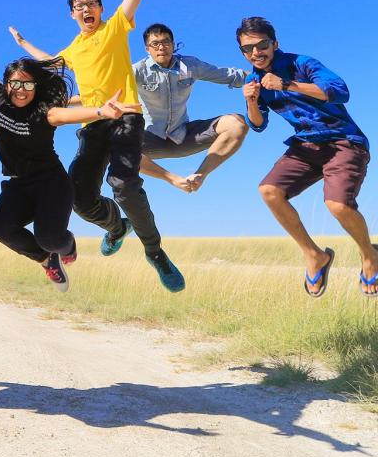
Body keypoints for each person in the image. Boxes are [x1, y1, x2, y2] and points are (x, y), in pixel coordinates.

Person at [9, 0, 185, 292]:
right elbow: (51, 64)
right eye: (79, 5)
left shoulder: (115, 26)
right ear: (72, 14)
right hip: (92, 125)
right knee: (80, 197)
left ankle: (154, 252)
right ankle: (116, 226)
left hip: (126, 118)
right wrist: (23, 44)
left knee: (122, 181)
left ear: (101, 9)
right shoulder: (74, 47)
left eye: (91, 3)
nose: (85, 8)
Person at [0, 10, 134, 291]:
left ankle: (66, 246)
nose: (20, 90)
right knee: (2, 229)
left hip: (51, 183)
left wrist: (101, 111)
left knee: (51, 237)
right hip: (18, 185)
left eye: (27, 84)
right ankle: (46, 261)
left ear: (35, 86)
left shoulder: (45, 112)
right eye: (15, 83)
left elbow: (69, 116)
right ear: (7, 84)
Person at [237, 16, 377, 297]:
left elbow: (340, 92)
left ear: (274, 43)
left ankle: (370, 256)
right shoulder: (254, 81)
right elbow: (258, 124)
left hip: (343, 142)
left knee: (337, 206)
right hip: (305, 146)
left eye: (261, 45)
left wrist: (287, 85)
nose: (255, 53)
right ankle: (315, 255)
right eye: (247, 49)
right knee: (269, 190)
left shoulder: (302, 64)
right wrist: (251, 101)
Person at [134, 23, 249, 193]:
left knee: (237, 124)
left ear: (173, 45)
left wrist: (261, 78)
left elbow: (228, 75)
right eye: (155, 44)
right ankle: (173, 179)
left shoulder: (189, 65)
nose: (161, 47)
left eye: (166, 42)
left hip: (183, 136)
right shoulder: (138, 71)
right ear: (147, 49)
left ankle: (199, 176)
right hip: (148, 140)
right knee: (115, 146)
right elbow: (105, 89)